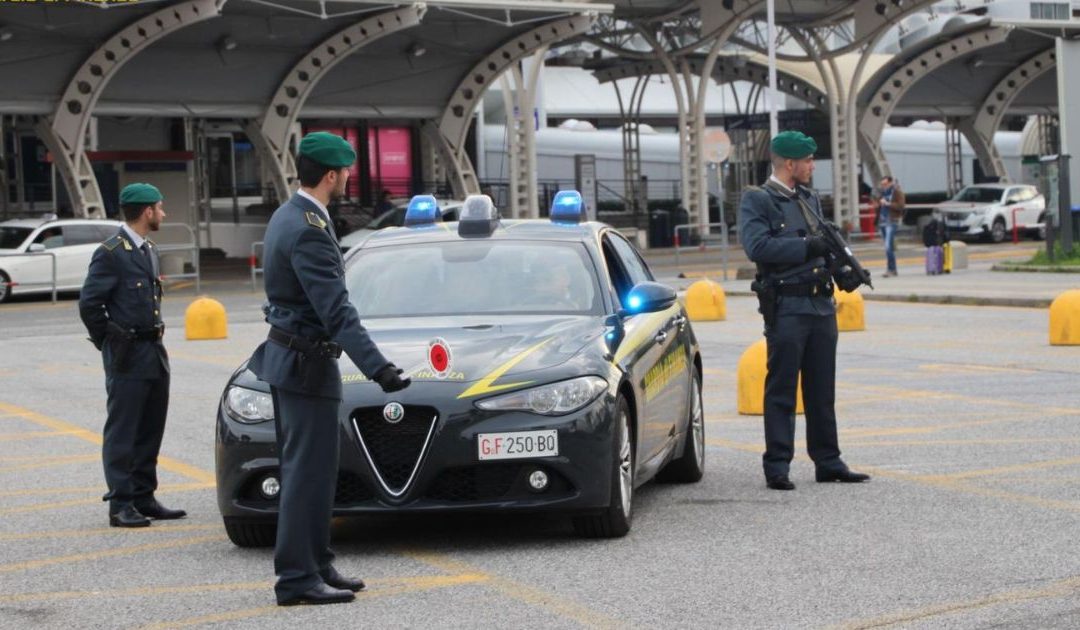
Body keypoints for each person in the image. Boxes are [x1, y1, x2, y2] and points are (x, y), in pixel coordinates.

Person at [246, 131, 411, 607]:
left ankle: (317, 563)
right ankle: (297, 578)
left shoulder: (289, 215)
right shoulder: (308, 229)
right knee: (306, 474)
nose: (348, 179)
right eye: (347, 173)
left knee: (316, 472)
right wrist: (379, 368)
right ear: (333, 175)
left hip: (297, 361)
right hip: (305, 365)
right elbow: (336, 310)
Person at [738, 130, 871, 491]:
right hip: (788, 306)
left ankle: (828, 461)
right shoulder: (759, 200)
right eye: (808, 160)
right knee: (782, 389)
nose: (813, 166)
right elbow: (757, 247)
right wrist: (807, 246)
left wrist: (842, 271)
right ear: (789, 163)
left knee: (821, 389)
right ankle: (777, 465)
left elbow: (823, 249)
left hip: (820, 305)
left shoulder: (808, 198)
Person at [79, 183, 185, 527]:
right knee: (123, 430)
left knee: (151, 426)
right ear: (147, 212)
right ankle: (120, 503)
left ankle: (143, 495)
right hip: (127, 353)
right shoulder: (111, 252)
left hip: (153, 349)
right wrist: (110, 342)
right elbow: (90, 305)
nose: (164, 213)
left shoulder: (148, 249)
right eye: (160, 207)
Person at [875, 176, 905, 277]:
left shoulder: (896, 192)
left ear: (890, 183)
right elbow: (877, 204)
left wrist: (888, 204)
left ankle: (890, 269)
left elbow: (901, 205)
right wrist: (878, 203)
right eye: (882, 184)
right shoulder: (883, 193)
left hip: (891, 221)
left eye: (885, 184)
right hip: (882, 221)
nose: (884, 186)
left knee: (888, 246)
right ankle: (893, 269)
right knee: (889, 247)